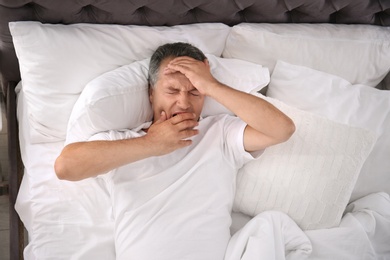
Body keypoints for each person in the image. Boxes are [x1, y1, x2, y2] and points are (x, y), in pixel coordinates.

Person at [55, 42, 295, 259]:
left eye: (194, 93)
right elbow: (65, 167)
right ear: (151, 93)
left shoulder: (219, 133)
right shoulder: (122, 142)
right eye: (172, 91)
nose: (184, 103)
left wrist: (211, 85)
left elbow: (281, 129)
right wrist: (151, 144)